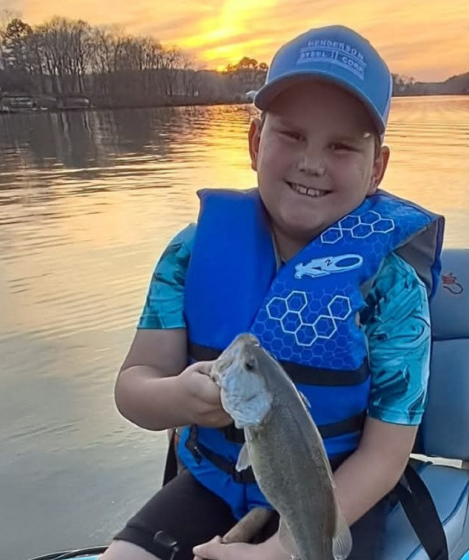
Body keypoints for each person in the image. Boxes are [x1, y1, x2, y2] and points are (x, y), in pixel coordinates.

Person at [100, 24, 444, 560]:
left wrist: (282, 550)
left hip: (335, 499)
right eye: (292, 135)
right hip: (212, 485)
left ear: (376, 168)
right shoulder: (190, 254)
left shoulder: (395, 293)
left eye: (340, 146)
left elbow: (385, 456)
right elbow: (133, 387)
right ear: (256, 142)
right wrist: (179, 398)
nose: (312, 162)